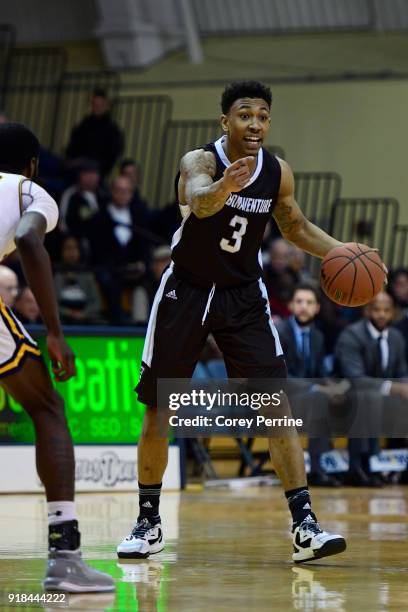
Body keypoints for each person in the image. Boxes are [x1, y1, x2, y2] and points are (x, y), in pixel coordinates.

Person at [118, 81, 350, 563]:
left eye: (263, 116)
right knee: (159, 406)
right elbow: (200, 199)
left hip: (243, 295)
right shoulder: (199, 161)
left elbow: (296, 226)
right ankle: (148, 523)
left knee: (275, 406)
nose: (256, 125)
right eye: (246, 115)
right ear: (226, 122)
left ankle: (304, 526)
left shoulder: (277, 172)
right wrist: (227, 184)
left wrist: (344, 252)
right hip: (188, 290)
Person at [0, 123, 114, 592]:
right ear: (31, 164)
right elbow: (29, 241)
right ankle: (65, 557)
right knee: (48, 408)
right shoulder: (30, 190)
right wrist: (55, 332)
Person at [335, 291, 408, 486]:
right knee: (368, 397)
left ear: (393, 313)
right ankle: (360, 466)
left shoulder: (396, 337)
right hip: (346, 397)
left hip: (383, 399)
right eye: (377, 309)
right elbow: (355, 378)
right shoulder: (352, 334)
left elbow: (401, 373)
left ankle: (400, 468)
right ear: (367, 311)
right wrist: (394, 388)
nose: (382, 315)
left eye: (386, 310)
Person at [277, 284, 342, 487]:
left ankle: (359, 465)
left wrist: (334, 386)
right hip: (280, 398)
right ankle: (317, 468)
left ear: (317, 308)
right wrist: (316, 389)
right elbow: (280, 377)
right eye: (299, 302)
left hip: (307, 399)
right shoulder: (279, 332)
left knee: (346, 395)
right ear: (290, 306)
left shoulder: (318, 336)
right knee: (319, 398)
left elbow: (320, 374)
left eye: (309, 302)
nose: (304, 307)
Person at [88, 175, 150, 324]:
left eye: (127, 191)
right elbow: (97, 249)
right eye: (119, 190)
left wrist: (141, 263)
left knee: (152, 279)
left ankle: (144, 324)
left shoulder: (138, 216)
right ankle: (118, 323)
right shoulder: (100, 217)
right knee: (109, 280)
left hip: (133, 268)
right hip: (109, 268)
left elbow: (143, 245)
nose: (122, 195)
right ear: (111, 191)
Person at [66, 88, 123, 178]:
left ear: (106, 105)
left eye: (100, 105)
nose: (97, 107)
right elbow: (72, 146)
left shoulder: (112, 130)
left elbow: (113, 153)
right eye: (95, 104)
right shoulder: (83, 125)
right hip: (77, 168)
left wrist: (101, 169)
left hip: (98, 170)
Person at [54, 236, 103, 324]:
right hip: (62, 319)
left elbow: (97, 303)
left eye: (75, 248)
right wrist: (69, 313)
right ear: (61, 251)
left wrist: (84, 314)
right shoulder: (56, 274)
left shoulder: (87, 275)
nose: (71, 252)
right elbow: (51, 304)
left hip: (86, 318)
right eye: (68, 248)